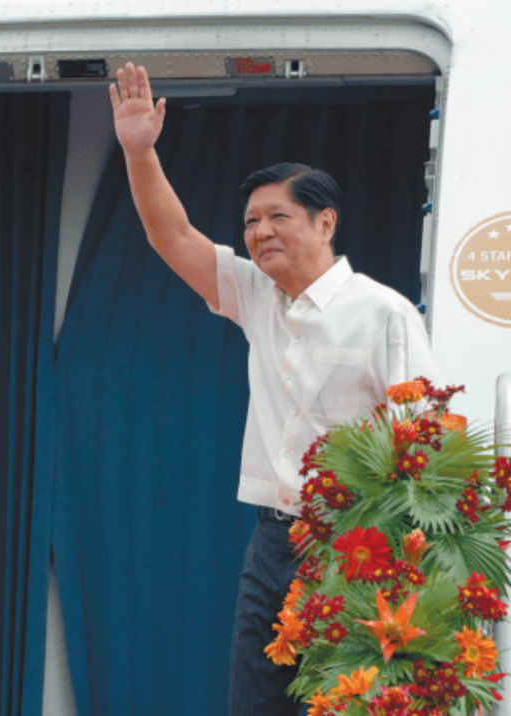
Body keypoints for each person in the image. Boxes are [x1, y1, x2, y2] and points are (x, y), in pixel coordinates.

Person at [109, 63, 441, 714]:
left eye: (278, 217)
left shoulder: (383, 314)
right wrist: (139, 150)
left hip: (354, 539)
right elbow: (170, 235)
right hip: (271, 542)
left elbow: (421, 443)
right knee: (256, 702)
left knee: (341, 703)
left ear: (326, 223)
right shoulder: (257, 298)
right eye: (251, 221)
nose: (260, 232)